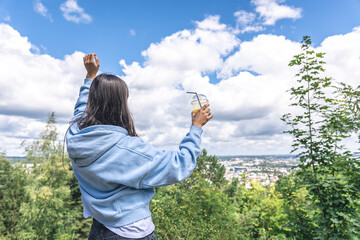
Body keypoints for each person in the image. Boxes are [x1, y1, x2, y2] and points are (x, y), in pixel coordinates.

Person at [66, 53, 213, 240]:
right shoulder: (126, 149)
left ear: (92, 102)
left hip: (99, 227)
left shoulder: (75, 134)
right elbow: (180, 165)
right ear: (121, 105)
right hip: (131, 233)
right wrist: (196, 128)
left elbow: (80, 109)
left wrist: (90, 77)